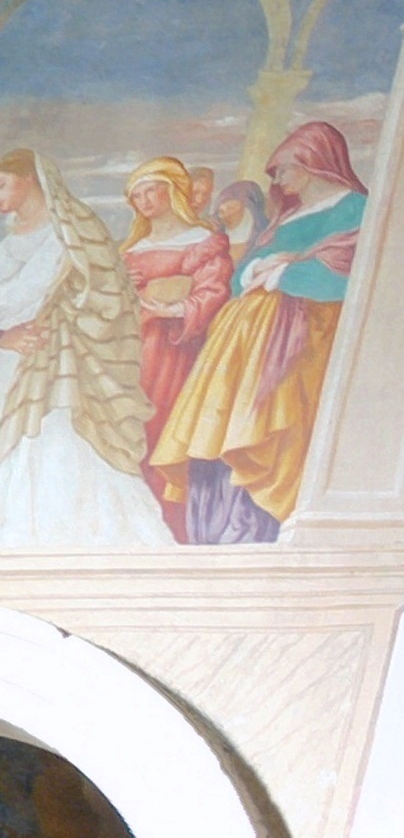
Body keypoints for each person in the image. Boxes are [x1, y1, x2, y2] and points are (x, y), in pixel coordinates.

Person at [148, 120, 363, 533]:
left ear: (313, 161)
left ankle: (254, 525)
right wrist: (260, 269)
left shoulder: (352, 207)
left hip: (299, 341)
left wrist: (287, 272)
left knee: (263, 432)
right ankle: (215, 525)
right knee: (216, 431)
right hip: (239, 344)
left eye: (283, 168)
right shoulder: (289, 216)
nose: (278, 180)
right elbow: (241, 272)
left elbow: (351, 268)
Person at [0, 151, 160, 546]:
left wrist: (57, 324)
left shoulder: (74, 230)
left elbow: (108, 298)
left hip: (63, 364)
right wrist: (5, 338)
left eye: (2, 183)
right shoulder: (6, 239)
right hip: (10, 361)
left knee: (54, 448)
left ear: (31, 179)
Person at [120, 157, 233, 539]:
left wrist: (174, 308)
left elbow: (214, 291)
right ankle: (137, 527)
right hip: (129, 352)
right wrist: (121, 285)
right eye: (137, 195)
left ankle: (173, 529)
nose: (145, 201)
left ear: (173, 190)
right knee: (130, 434)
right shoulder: (131, 250)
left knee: (166, 433)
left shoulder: (201, 242)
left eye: (152, 189)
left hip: (176, 351)